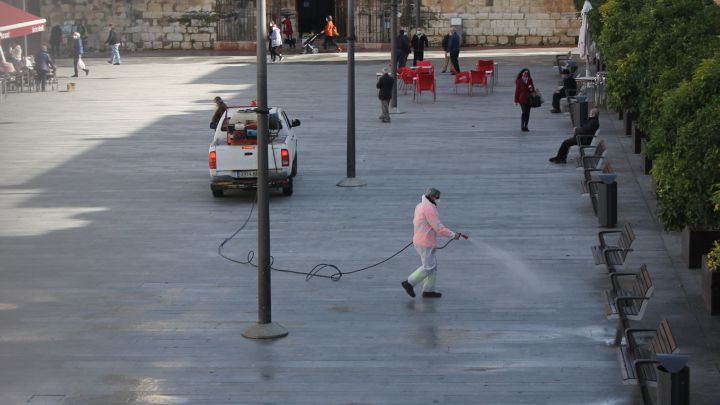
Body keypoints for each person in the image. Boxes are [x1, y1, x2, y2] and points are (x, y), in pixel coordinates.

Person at [402, 188, 463, 299]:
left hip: (421, 239)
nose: (439, 200)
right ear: (431, 196)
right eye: (437, 197)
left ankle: (428, 291)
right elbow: (438, 228)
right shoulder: (429, 208)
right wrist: (453, 235)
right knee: (428, 267)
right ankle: (409, 283)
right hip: (425, 242)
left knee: (432, 267)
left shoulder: (420, 205)